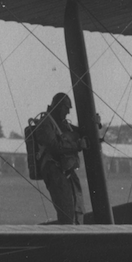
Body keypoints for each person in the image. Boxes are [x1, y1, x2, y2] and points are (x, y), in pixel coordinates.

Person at [32, 92, 86, 224]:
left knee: (77, 210)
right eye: (66, 108)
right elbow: (54, 147)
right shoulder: (45, 123)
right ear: (58, 106)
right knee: (66, 213)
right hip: (55, 172)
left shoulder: (62, 124)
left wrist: (95, 125)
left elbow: (82, 131)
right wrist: (77, 145)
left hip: (67, 172)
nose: (67, 112)